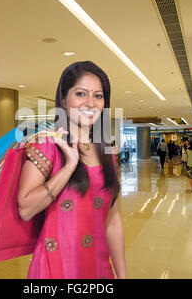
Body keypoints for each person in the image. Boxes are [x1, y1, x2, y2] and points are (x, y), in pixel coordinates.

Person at [17, 61, 127, 279]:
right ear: (64, 101)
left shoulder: (108, 153)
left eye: (98, 95)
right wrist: (69, 166)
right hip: (55, 267)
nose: (90, 103)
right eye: (80, 94)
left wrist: (122, 276)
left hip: (99, 269)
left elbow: (113, 220)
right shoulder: (47, 146)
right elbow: (26, 209)